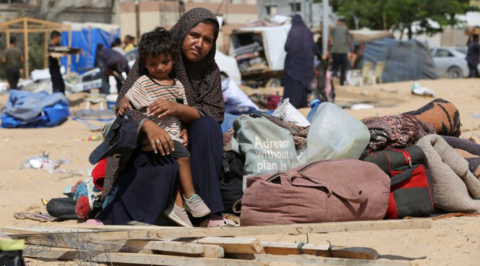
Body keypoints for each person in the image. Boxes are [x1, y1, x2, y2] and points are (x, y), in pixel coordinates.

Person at [97, 8, 233, 227]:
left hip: (184, 137)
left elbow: (215, 113)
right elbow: (123, 103)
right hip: (147, 141)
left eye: (208, 40)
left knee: (208, 126)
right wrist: (148, 125)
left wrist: (177, 110)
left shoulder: (210, 71)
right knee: (164, 166)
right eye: (194, 35)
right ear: (182, 32)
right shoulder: (155, 55)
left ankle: (208, 213)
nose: (200, 44)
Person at [119, 27, 211, 227]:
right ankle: (191, 197)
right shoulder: (144, 82)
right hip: (156, 140)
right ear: (144, 63)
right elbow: (126, 98)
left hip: (173, 135)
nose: (160, 68)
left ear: (173, 59)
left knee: (178, 164)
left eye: (165, 62)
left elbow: (182, 113)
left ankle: (177, 207)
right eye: (153, 64)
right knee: (184, 157)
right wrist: (123, 105)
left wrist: (185, 129)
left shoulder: (177, 85)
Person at [283, 14, 321, 108]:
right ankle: (302, 103)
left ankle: (291, 104)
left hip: (292, 64)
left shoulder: (292, 32)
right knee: (302, 85)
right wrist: (320, 56)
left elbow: (287, 47)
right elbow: (313, 47)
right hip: (305, 65)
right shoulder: (307, 32)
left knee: (292, 85)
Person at [328, 18, 353, 86]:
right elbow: (349, 41)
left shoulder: (333, 29)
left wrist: (328, 50)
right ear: (343, 23)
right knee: (343, 68)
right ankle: (342, 82)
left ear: (338, 22)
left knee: (335, 66)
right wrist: (351, 50)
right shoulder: (346, 30)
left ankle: (334, 81)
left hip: (335, 50)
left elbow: (330, 40)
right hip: (343, 51)